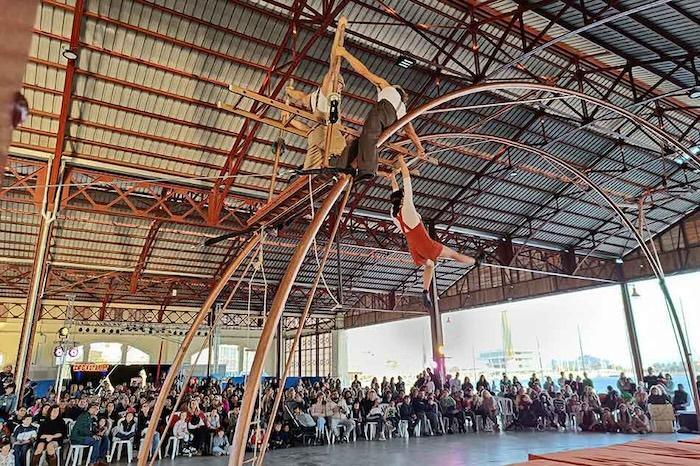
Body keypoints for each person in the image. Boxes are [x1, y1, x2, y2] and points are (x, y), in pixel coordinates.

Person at [387, 156, 479, 307]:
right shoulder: (406, 208)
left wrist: (392, 177)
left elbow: (396, 193)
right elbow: (407, 179)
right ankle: (476, 261)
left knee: (430, 265)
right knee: (453, 255)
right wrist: (402, 160)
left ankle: (425, 291)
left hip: (414, 248)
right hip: (424, 243)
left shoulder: (395, 213)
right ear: (403, 198)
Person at [332, 46, 425, 181]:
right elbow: (411, 132)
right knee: (361, 142)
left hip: (382, 111)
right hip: (389, 124)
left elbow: (364, 71)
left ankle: (367, 169)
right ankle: (342, 166)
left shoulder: (387, 87)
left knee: (368, 135)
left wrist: (345, 53)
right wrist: (419, 147)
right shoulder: (403, 111)